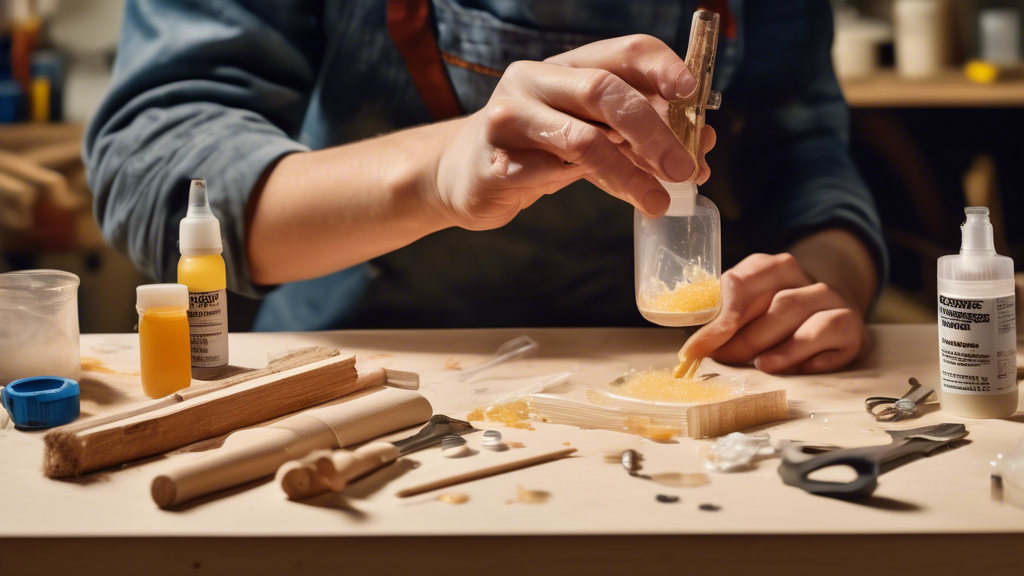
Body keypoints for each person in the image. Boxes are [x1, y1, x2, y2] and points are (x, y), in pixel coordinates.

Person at [85, 0, 886, 374]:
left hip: (681, 369)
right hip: (375, 372)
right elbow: (158, 163)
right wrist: (436, 174)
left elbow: (806, 151)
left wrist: (826, 284)